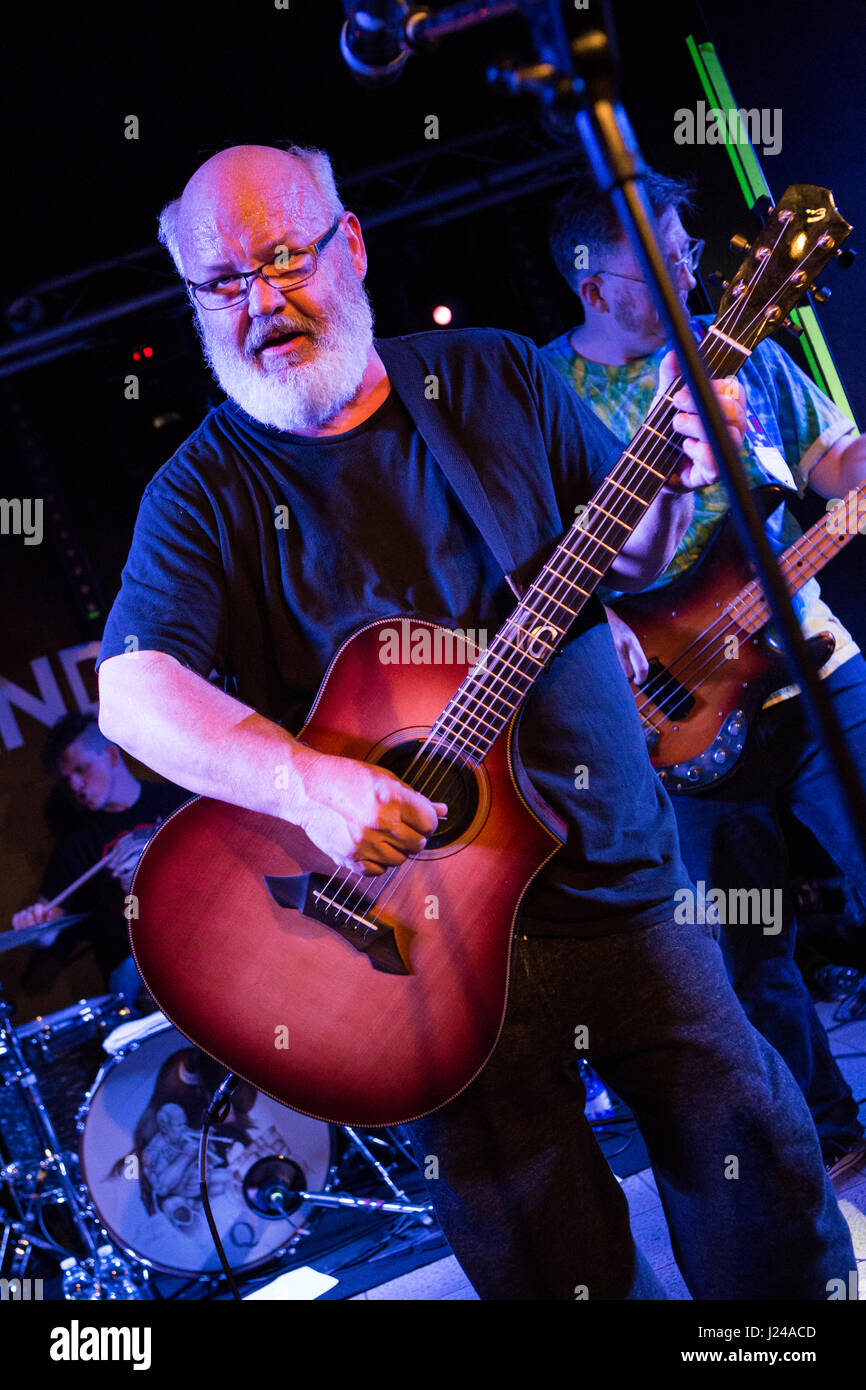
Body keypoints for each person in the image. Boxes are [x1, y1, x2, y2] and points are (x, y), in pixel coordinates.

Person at [94, 142, 856, 1299]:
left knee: (760, 1190)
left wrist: (677, 476)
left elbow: (624, 556)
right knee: (550, 1261)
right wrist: (311, 784)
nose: (260, 301)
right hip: (415, 958)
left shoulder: (490, 374)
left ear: (349, 245)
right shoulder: (199, 493)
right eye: (221, 282)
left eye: (284, 257)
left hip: (615, 884)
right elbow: (132, 693)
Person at [543, 169, 866, 1181]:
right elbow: (536, 556)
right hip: (667, 711)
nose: (689, 271)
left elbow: (833, 466)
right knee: (745, 945)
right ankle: (830, 1139)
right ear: (595, 286)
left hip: (807, 662)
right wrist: (599, 627)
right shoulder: (545, 394)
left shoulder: (749, 357)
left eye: (688, 250)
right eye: (664, 259)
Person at [12, 711, 189, 1009]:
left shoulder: (176, 801)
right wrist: (39, 933)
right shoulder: (77, 846)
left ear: (111, 755)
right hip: (139, 965)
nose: (76, 786)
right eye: (68, 779)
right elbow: (49, 923)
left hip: (204, 932)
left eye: (81, 769)